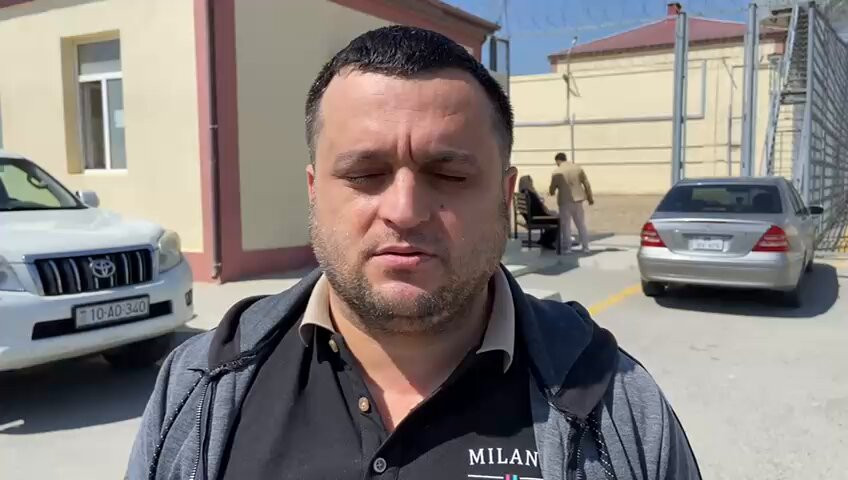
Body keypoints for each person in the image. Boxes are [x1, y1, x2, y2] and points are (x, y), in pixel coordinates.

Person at [127, 26, 700, 480]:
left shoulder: (616, 401)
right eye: (365, 173)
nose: (404, 210)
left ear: (504, 197)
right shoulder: (200, 385)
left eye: (449, 174)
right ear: (314, 191)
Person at [549, 152, 594, 253]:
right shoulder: (578, 168)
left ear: (557, 161)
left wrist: (551, 191)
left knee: (566, 225)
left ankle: (568, 248)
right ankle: (585, 247)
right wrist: (590, 198)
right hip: (578, 200)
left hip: (564, 201)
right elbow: (586, 184)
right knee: (581, 224)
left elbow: (552, 189)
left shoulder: (557, 172)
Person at [517, 175, 559, 249]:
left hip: (529, 218)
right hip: (535, 219)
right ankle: (548, 241)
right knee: (557, 221)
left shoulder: (522, 193)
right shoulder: (530, 194)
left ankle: (543, 239)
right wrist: (549, 213)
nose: (532, 184)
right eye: (531, 182)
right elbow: (539, 209)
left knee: (553, 217)